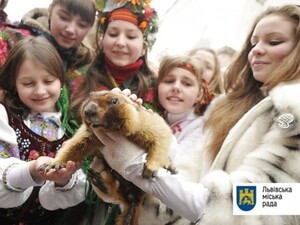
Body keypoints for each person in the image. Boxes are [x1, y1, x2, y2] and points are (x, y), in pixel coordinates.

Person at [94, 4, 300, 225]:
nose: (256, 50)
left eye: (274, 41)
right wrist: (130, 157)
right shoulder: (228, 107)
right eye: (253, 43)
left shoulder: (293, 111)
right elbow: (185, 177)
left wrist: (137, 164)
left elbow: (265, 203)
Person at [68, 0, 160, 224]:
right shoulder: (75, 79)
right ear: (102, 37)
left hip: (129, 193)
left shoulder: (157, 89)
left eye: (131, 36)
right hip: (73, 191)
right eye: (113, 33)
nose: (120, 42)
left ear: (145, 44)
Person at [0, 36, 86, 225]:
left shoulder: (72, 125)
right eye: (28, 83)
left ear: (61, 80)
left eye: (48, 81)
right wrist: (32, 169)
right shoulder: (4, 115)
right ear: (14, 83)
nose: (40, 91)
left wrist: (63, 181)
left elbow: (79, 188)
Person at [138, 55, 207, 224]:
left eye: (187, 83)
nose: (176, 87)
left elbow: (175, 167)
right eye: (169, 81)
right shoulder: (156, 117)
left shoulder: (202, 128)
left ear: (200, 94)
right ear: (157, 87)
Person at [0, 0, 96, 92]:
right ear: (50, 11)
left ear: (90, 28)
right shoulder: (13, 42)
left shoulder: (82, 62)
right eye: (64, 18)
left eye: (82, 25)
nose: (70, 30)